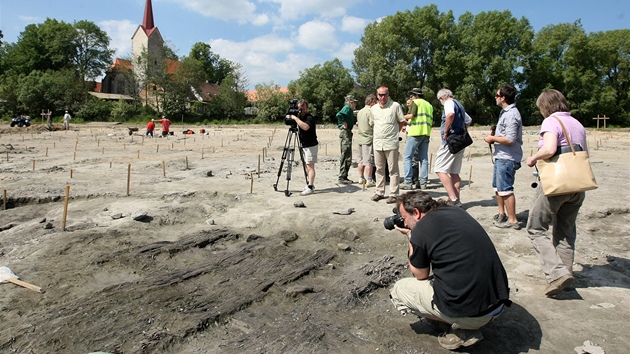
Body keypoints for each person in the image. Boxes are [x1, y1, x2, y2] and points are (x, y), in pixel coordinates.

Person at [389, 191, 511, 350]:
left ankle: (460, 328)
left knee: (399, 290)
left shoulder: (420, 230)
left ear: (417, 212)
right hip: (497, 304)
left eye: (404, 218)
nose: (404, 224)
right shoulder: (456, 210)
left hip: (475, 315)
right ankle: (462, 321)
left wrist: (412, 238)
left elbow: (420, 274)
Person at [525, 89, 588, 297]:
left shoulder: (551, 122)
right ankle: (566, 275)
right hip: (578, 184)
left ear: (546, 106)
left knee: (535, 227)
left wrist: (533, 158)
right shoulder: (577, 123)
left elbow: (550, 149)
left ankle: (556, 274)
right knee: (566, 232)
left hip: (557, 184)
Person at [484, 84, 523, 229]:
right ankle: (502, 214)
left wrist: (492, 139)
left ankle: (512, 220)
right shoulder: (505, 112)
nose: (495, 97)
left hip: (508, 157)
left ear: (503, 98)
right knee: (497, 187)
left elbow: (510, 139)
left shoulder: (512, 114)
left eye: (497, 95)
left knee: (506, 188)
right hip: (501, 155)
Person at [434, 89, 472, 206]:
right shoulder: (459, 104)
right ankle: (457, 199)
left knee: (439, 169)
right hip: (460, 141)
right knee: (454, 172)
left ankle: (453, 198)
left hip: (450, 142)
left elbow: (450, 114)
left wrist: (446, 131)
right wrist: (461, 129)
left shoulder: (448, 103)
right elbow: (468, 120)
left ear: (442, 98)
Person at [370, 86, 406, 204]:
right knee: (379, 169)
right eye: (380, 95)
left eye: (384, 94)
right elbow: (372, 123)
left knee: (393, 169)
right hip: (377, 143)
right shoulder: (373, 108)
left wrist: (395, 134)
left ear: (388, 94)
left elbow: (401, 121)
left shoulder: (395, 106)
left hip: (391, 143)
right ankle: (379, 192)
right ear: (377, 95)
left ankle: (394, 194)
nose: (382, 97)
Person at [401, 88, 433, 190]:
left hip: (415, 132)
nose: (411, 97)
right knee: (423, 159)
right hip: (426, 133)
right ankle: (423, 183)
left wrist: (399, 116)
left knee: (407, 157)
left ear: (415, 95)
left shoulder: (415, 102)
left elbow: (411, 115)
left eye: (411, 95)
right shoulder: (429, 105)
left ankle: (408, 182)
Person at [287, 99, 318, 196]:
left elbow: (305, 127)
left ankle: (310, 186)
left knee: (310, 166)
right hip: (304, 145)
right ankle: (309, 184)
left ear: (306, 108)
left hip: (311, 145)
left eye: (303, 108)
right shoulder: (300, 116)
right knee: (306, 165)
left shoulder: (309, 117)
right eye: (300, 108)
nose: (301, 110)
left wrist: (295, 118)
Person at [356, 94, 377, 187]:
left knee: (360, 160)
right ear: (372, 101)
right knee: (369, 161)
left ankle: (361, 178)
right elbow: (372, 123)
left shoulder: (360, 111)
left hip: (360, 138)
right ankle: (369, 179)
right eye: (375, 101)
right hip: (368, 138)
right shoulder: (370, 111)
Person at [336, 95, 358, 184]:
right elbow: (339, 114)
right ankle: (342, 176)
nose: (355, 104)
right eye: (354, 102)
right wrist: (343, 123)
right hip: (345, 132)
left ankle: (344, 176)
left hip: (347, 132)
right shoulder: (347, 108)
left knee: (347, 154)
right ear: (350, 102)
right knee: (346, 154)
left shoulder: (349, 109)